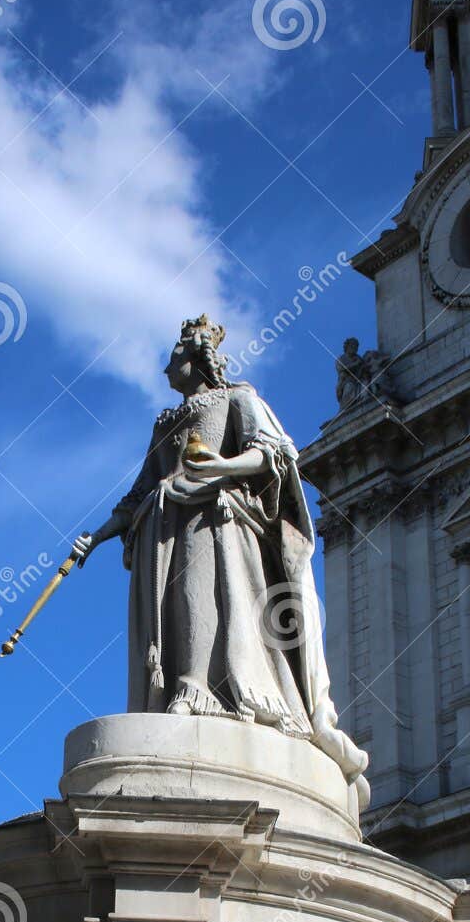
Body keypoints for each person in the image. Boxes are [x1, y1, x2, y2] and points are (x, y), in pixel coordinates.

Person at [72, 316, 368, 789]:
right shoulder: (165, 423)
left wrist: (221, 466)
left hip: (214, 519)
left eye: (173, 354)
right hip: (161, 526)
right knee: (169, 615)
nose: (166, 364)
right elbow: (137, 494)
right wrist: (99, 535)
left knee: (200, 597)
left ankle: (200, 690)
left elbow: (271, 456)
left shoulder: (238, 399)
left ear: (196, 358)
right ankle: (173, 693)